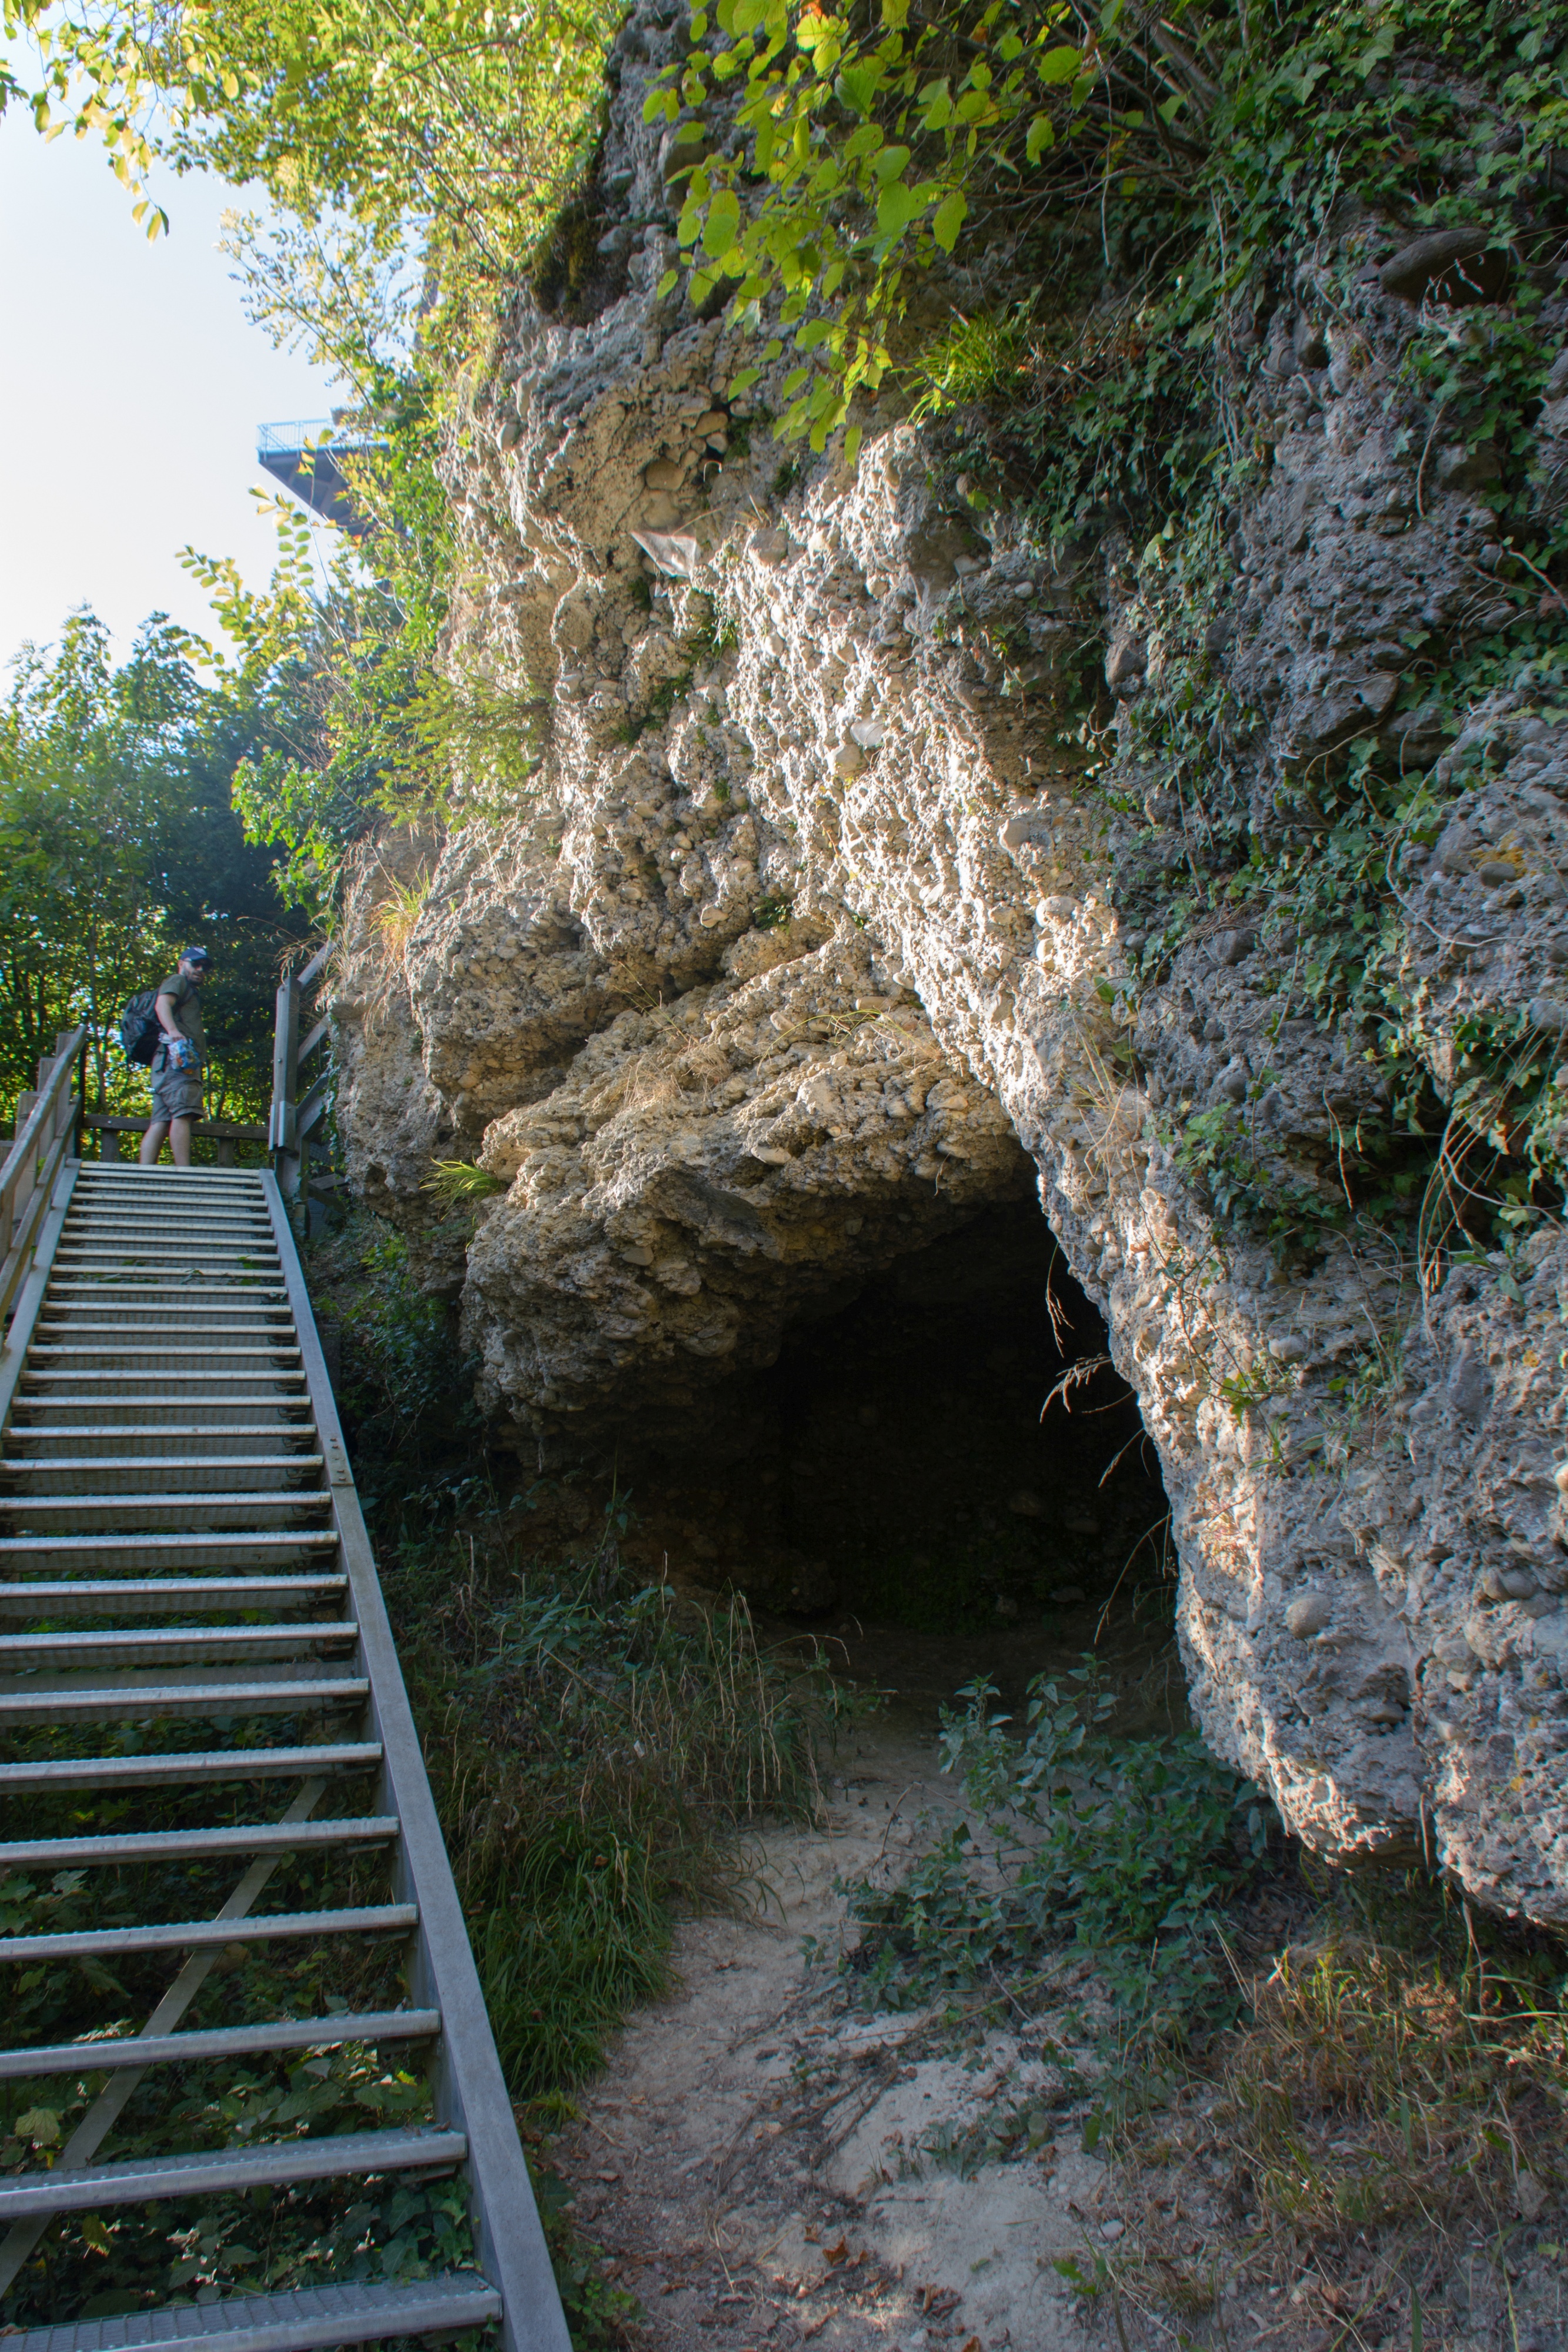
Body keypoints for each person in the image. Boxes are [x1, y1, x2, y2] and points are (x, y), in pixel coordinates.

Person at [139, 948, 215, 1168]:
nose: (201, 970)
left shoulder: (188, 988)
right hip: (179, 1062)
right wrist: (173, 1031)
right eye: (196, 964)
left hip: (165, 1063)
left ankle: (143, 1174)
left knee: (161, 1121)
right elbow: (162, 1004)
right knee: (183, 1114)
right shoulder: (177, 980)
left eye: (205, 967)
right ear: (182, 963)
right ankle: (184, 1173)